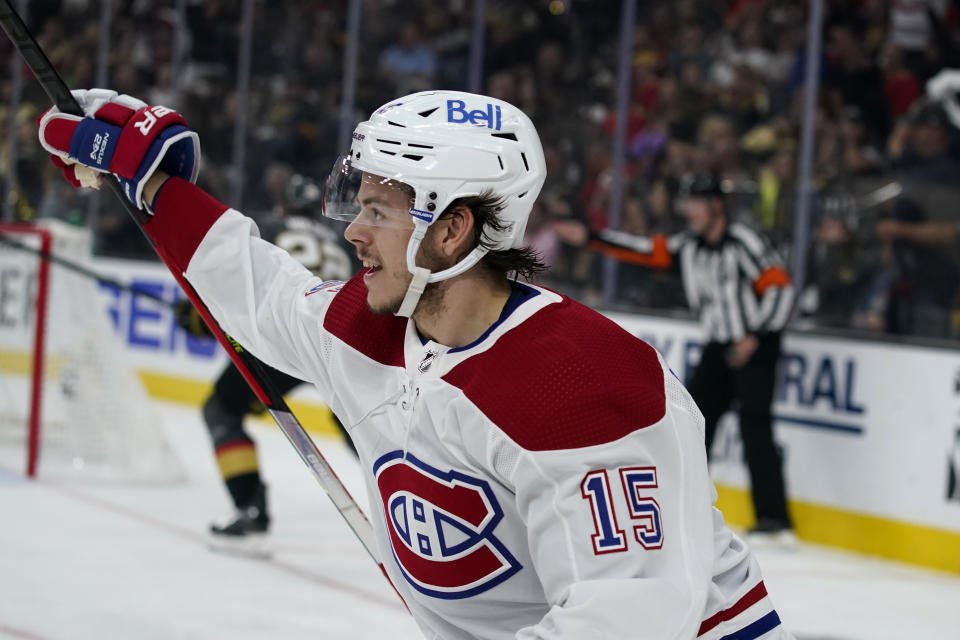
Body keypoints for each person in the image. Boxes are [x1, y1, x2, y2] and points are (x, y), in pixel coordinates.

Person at [38, 89, 794, 639]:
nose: (355, 234)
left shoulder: (588, 386)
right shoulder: (370, 328)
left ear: (455, 230)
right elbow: (260, 290)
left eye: (379, 212)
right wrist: (157, 185)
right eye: (357, 204)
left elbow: (624, 623)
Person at [592, 173, 796, 539]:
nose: (690, 211)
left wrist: (757, 334)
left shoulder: (743, 242)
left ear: (716, 206)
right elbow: (645, 250)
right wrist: (593, 237)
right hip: (720, 346)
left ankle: (774, 518)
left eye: (696, 204)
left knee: (755, 427)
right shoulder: (689, 246)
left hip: (757, 343)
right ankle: (687, 505)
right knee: (695, 425)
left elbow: (779, 287)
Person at [172, 174, 356, 549]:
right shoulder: (338, 242)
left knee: (220, 410)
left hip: (285, 340)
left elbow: (242, 284)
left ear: (284, 207)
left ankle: (249, 507)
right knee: (361, 425)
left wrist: (202, 316)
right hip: (337, 339)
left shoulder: (270, 227)